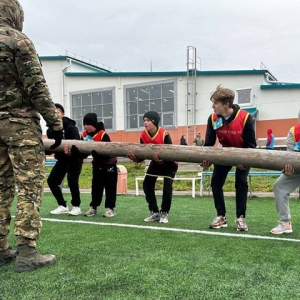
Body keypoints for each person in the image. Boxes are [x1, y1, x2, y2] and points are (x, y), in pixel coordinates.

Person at [0, 0, 63, 272]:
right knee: (29, 187)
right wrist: (55, 122)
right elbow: (36, 86)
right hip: (20, 125)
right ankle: (27, 251)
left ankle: (1, 248)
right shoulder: (17, 40)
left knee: (0, 189)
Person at [202, 85, 256, 231]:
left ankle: (240, 218)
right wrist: (205, 158)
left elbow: (251, 145)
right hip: (224, 153)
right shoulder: (213, 118)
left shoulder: (245, 118)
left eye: (215, 103)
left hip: (243, 154)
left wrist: (244, 161)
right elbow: (208, 143)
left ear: (226, 104)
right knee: (216, 182)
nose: (212, 106)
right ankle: (221, 217)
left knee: (241, 183)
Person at [128, 111, 178, 224]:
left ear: (154, 122)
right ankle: (154, 212)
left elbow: (170, 153)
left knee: (167, 186)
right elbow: (142, 154)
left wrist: (162, 161)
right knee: (147, 184)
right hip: (155, 162)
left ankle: (164, 212)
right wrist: (136, 158)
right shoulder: (143, 134)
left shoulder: (164, 134)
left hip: (169, 163)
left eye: (148, 120)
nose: (145, 123)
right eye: (144, 120)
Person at [47, 103, 83, 216]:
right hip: (62, 160)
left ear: (62, 114)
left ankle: (76, 206)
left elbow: (78, 144)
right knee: (52, 181)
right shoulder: (50, 130)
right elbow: (52, 147)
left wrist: (71, 153)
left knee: (72, 181)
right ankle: (62, 205)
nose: (55, 115)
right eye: (53, 113)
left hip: (74, 160)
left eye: (57, 112)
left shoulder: (71, 127)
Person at [80, 113, 118, 218]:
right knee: (96, 187)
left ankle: (110, 209)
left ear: (94, 124)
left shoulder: (102, 135)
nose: (86, 126)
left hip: (109, 164)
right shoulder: (84, 135)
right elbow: (83, 151)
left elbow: (107, 152)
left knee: (110, 187)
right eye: (84, 124)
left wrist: (97, 154)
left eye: (88, 124)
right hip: (97, 164)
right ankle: (93, 207)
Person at [270, 121, 300, 234]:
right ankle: (285, 223)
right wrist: (288, 169)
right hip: (298, 168)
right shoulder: (294, 131)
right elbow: (291, 155)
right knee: (279, 186)